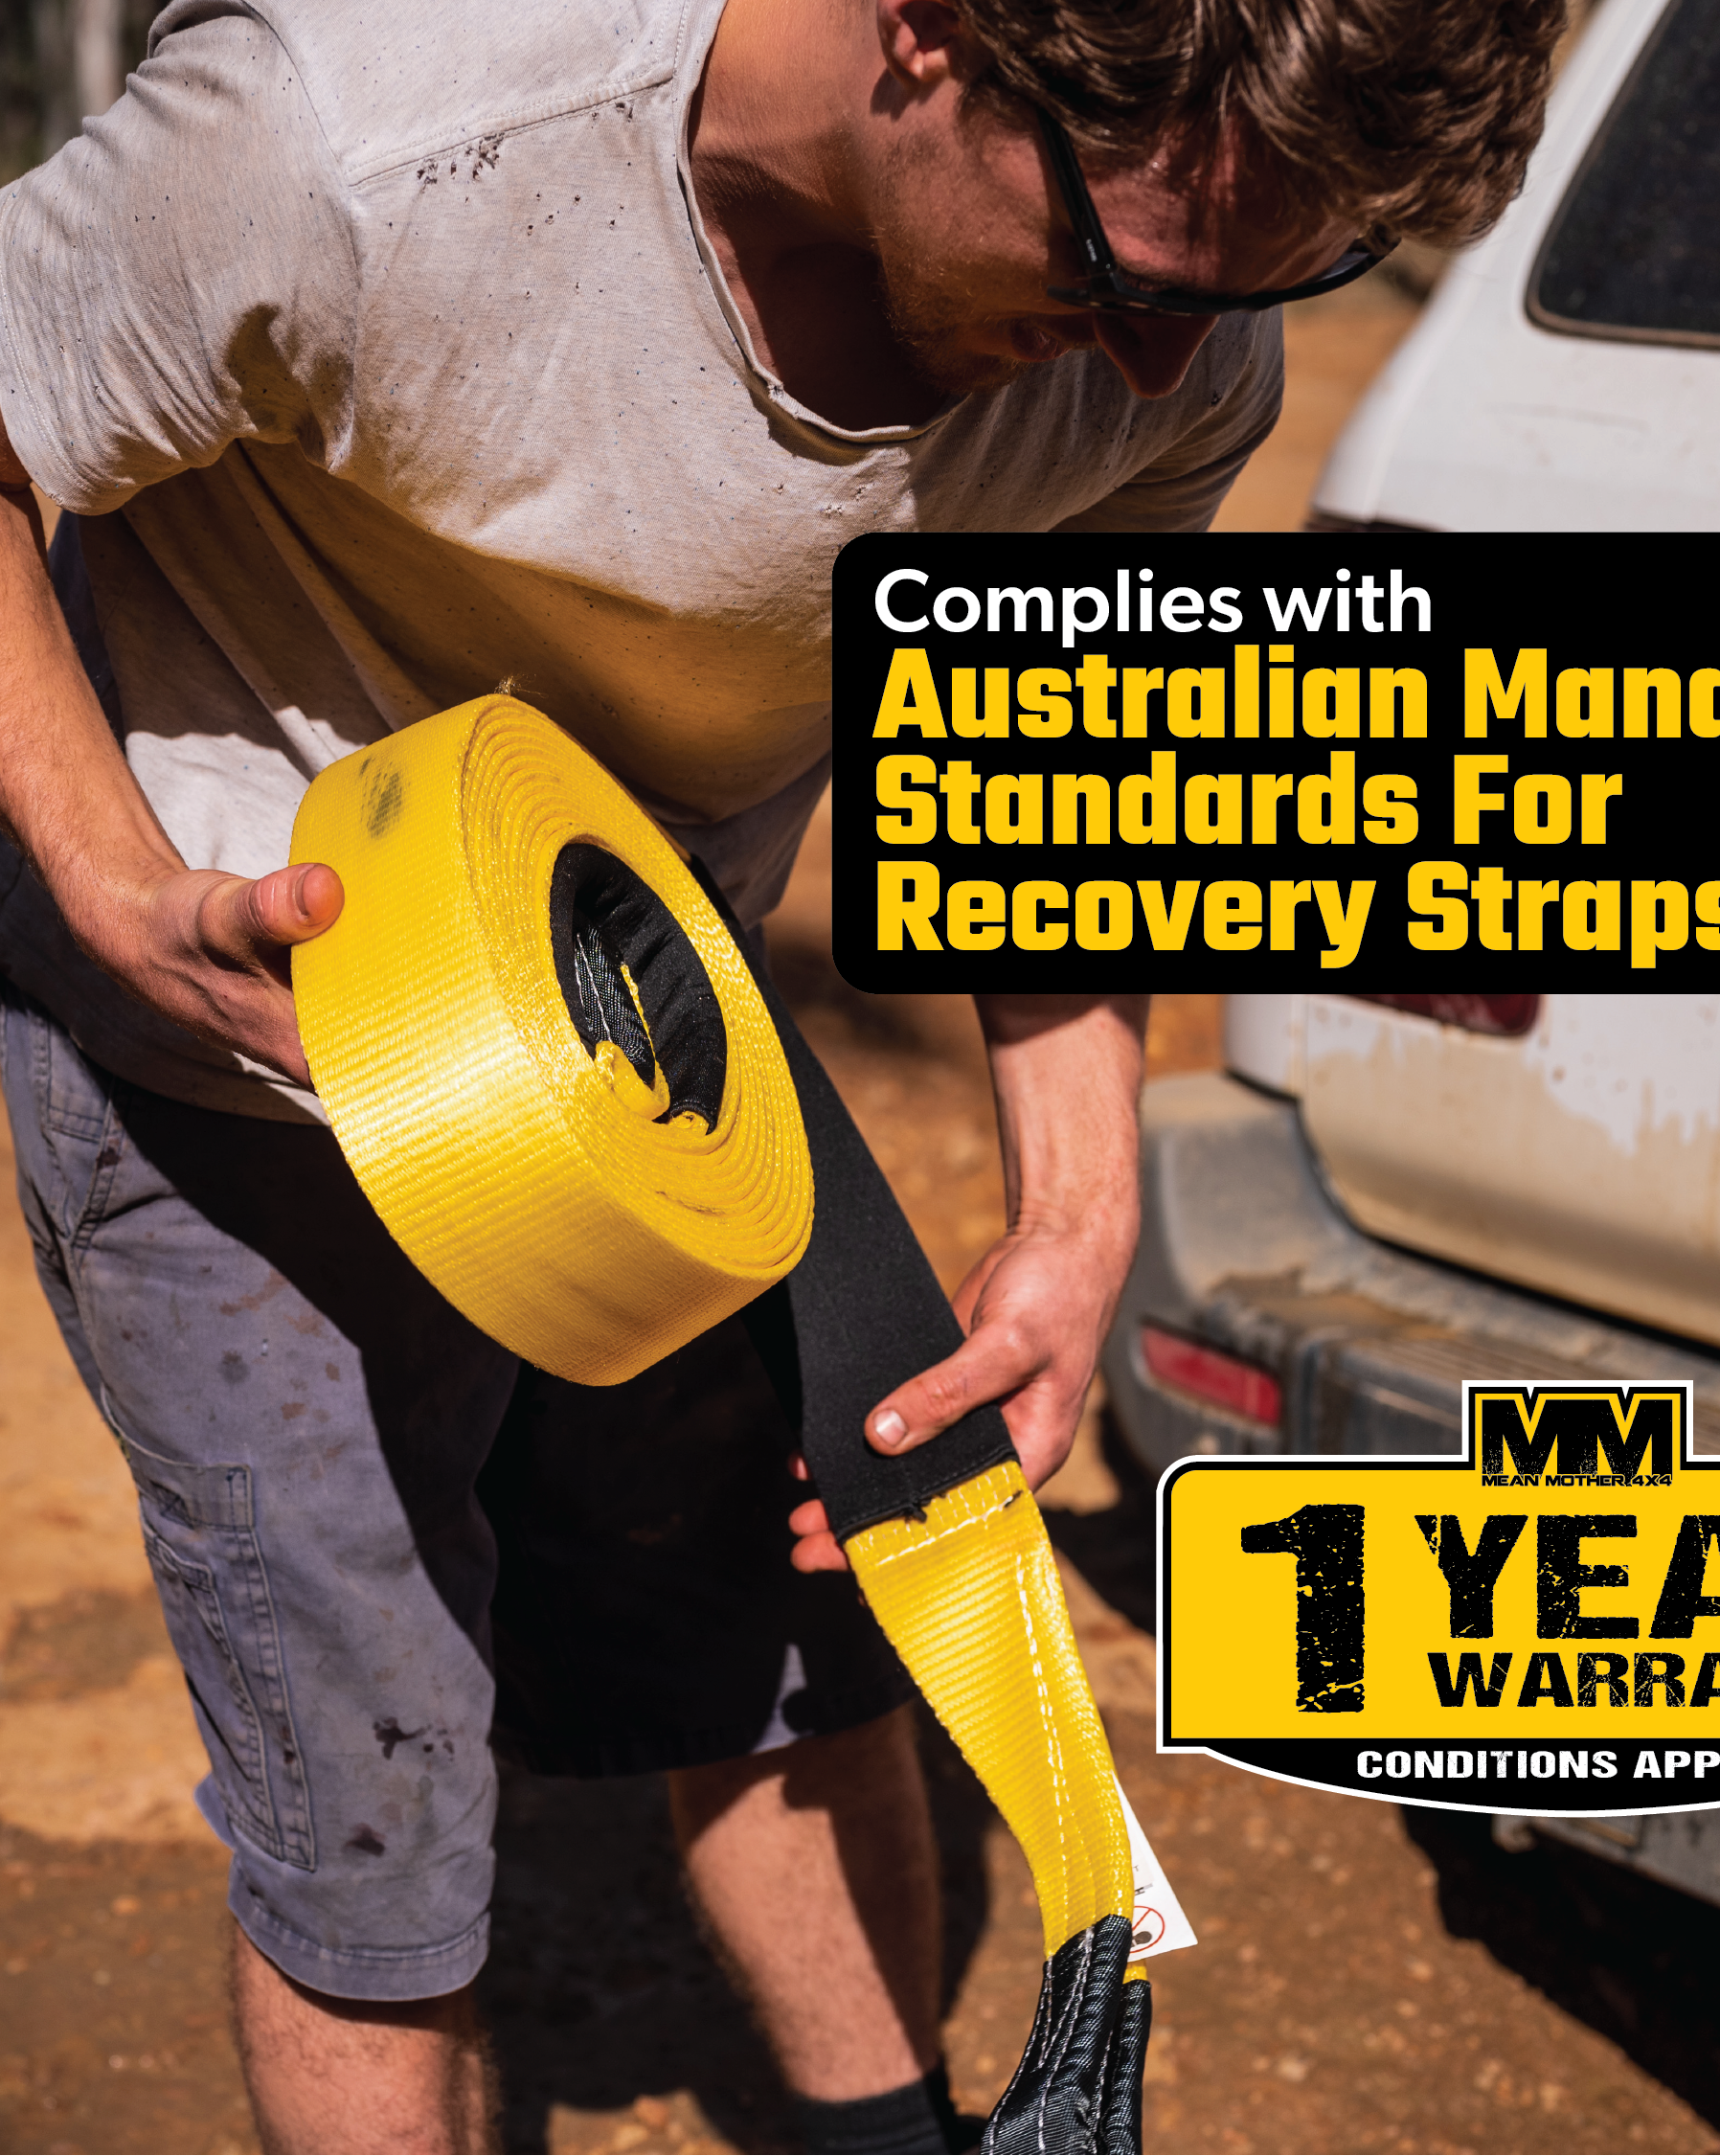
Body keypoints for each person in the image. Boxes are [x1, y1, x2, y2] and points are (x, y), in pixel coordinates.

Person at [0, 0, 1559, 2146]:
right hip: (250, 1074)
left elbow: (1064, 766)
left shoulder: (1174, 351)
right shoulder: (351, 138)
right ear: (933, 36)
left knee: (796, 1632)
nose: (1165, 370)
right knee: (382, 1829)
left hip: (666, 1055)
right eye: (1122, 276)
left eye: (1266, 289)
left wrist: (1075, 1216)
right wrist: (101, 884)